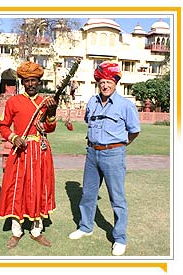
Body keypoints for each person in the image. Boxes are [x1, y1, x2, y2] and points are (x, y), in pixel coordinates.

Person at [68, 61, 140, 256]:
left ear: (115, 83)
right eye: (102, 82)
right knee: (88, 194)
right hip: (92, 153)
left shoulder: (126, 105)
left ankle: (119, 238)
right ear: (98, 83)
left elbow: (134, 131)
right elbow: (88, 121)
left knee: (117, 198)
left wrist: (119, 146)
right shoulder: (92, 102)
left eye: (109, 82)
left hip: (114, 154)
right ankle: (85, 227)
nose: (105, 86)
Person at [0, 61, 58, 249]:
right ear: (22, 82)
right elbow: (3, 126)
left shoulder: (45, 102)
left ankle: (36, 230)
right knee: (17, 188)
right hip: (21, 152)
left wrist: (52, 113)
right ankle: (17, 231)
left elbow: (51, 127)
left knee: (39, 188)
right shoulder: (13, 102)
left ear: (39, 82)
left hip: (40, 152)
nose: (31, 84)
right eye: (27, 81)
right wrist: (14, 137)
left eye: (34, 80)